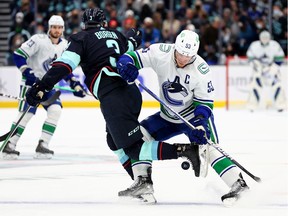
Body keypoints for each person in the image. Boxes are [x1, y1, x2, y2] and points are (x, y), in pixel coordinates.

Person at [25, 8, 207, 204]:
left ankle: (186, 151)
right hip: (129, 93)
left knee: (134, 147)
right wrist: (133, 36)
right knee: (114, 142)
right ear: (104, 24)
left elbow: (64, 66)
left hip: (113, 95)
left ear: (85, 24)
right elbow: (131, 43)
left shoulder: (81, 38)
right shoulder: (117, 35)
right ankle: (142, 182)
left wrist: (41, 86)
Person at [116, 30, 250, 205]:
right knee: (138, 135)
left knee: (207, 146)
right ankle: (143, 182)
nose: (183, 59)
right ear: (175, 47)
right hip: (167, 117)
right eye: (180, 53)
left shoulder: (201, 70)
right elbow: (130, 57)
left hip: (192, 117)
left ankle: (238, 184)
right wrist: (127, 65)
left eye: (189, 56)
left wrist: (201, 125)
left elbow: (204, 105)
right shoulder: (160, 52)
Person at [2, 15, 86, 160]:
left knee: (56, 110)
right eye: (54, 27)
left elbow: (64, 68)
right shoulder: (38, 40)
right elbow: (18, 55)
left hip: (48, 85)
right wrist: (28, 72)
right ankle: (9, 145)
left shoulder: (65, 45)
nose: (56, 30)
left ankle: (43, 145)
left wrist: (74, 83)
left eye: (59, 27)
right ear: (49, 27)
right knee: (26, 114)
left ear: (63, 29)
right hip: (31, 85)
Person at [246, 30, 286, 112]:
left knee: (277, 85)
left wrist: (274, 68)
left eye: (266, 38)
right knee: (255, 86)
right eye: (263, 38)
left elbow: (280, 58)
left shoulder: (274, 45)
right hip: (259, 69)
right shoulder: (254, 45)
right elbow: (250, 58)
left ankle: (280, 105)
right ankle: (252, 105)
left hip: (271, 69)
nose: (264, 39)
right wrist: (257, 66)